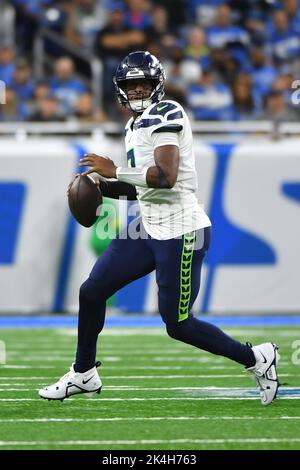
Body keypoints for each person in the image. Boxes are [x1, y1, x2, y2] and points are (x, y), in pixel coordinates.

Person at [39, 51, 280, 406]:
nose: (136, 91)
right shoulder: (132, 126)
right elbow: (142, 186)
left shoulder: (168, 113)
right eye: (130, 85)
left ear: (156, 85)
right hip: (147, 226)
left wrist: (113, 171)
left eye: (142, 84)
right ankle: (84, 373)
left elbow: (165, 177)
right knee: (92, 292)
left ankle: (256, 359)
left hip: (181, 231)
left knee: (178, 325)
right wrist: (100, 188)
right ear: (120, 90)